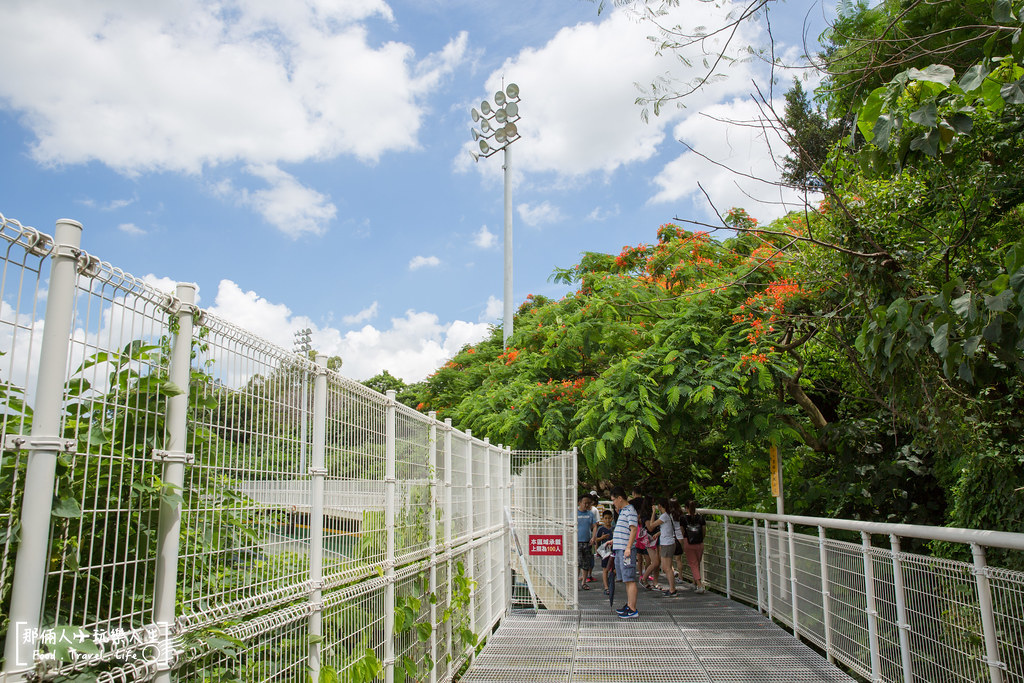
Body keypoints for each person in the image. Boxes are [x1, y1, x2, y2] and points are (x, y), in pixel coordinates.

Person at [611, 486, 640, 619]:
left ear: (620, 498)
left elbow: (633, 529)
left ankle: (633, 608)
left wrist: (628, 547)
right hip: (620, 548)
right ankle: (629, 605)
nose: (613, 503)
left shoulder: (630, 511)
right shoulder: (623, 511)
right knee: (626, 579)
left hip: (625, 549)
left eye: (613, 500)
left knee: (629, 578)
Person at [647, 498, 680, 595]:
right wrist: (658, 533)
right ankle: (671, 588)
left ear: (660, 506)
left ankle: (672, 589)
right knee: (666, 567)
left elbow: (651, 525)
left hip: (667, 544)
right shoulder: (669, 516)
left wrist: (653, 512)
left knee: (667, 568)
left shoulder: (664, 516)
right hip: (669, 542)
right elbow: (667, 529)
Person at [682, 499, 707, 593]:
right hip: (700, 543)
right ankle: (694, 582)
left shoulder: (683, 518)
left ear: (686, 508)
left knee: (693, 564)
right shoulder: (700, 518)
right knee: (697, 563)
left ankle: (700, 586)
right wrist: (701, 538)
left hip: (689, 543)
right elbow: (704, 531)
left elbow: (682, 531)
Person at [577, 494, 598, 590]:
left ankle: (584, 582)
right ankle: (576, 583)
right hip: (576, 542)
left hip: (587, 542)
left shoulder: (590, 514)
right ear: (579, 503)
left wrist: (593, 537)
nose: (586, 505)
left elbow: (594, 526)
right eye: (585, 503)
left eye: (588, 503)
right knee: (577, 563)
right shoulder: (574, 514)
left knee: (586, 563)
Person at [595, 510, 614, 594]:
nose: (607, 520)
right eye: (605, 518)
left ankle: (611, 584)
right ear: (603, 519)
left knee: (613, 569)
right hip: (604, 552)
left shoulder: (614, 528)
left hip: (613, 551)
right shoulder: (601, 529)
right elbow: (596, 540)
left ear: (612, 519)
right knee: (605, 569)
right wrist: (602, 538)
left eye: (609, 518)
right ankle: (606, 587)